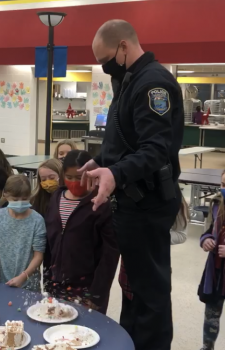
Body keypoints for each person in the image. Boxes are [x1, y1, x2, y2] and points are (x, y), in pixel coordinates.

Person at [79, 20, 184, 350]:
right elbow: (125, 138)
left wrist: (116, 174)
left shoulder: (153, 84)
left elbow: (155, 149)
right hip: (131, 203)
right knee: (132, 285)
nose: (103, 66)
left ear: (124, 46)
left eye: (105, 58)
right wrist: (102, 161)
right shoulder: (127, 80)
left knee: (149, 291)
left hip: (148, 203)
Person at [44, 150, 119, 314]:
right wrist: (47, 276)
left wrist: (98, 294)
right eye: (69, 177)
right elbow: (50, 241)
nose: (74, 182)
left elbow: (109, 254)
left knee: (82, 334)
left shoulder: (100, 203)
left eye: (79, 178)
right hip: (55, 282)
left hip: (87, 286)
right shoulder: (56, 197)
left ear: (92, 175)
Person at [0, 175, 46, 291]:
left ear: (30, 196)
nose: (20, 203)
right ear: (5, 195)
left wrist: (24, 276)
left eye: (24, 199)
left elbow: (38, 255)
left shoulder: (37, 220)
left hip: (29, 285)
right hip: (2, 281)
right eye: (15, 199)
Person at [198, 171, 225, 350]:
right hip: (216, 273)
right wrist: (205, 239)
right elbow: (209, 230)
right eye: (223, 184)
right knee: (211, 318)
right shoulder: (217, 204)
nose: (224, 189)